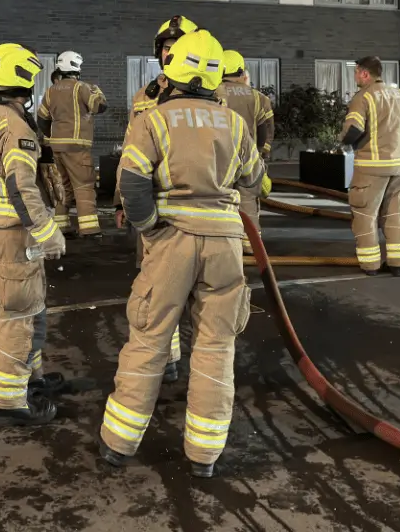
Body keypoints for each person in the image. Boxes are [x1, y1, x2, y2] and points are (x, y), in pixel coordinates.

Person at [99, 29, 264, 478]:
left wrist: (148, 224)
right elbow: (253, 179)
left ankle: (119, 443)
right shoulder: (233, 121)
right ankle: (204, 455)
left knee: (150, 337)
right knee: (216, 344)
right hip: (225, 246)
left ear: (172, 73)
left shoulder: (154, 118)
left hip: (172, 239)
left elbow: (131, 179)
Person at [0, 43, 67, 427]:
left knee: (28, 306)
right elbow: (21, 186)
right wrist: (47, 231)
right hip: (15, 235)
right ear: (24, 77)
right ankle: (8, 400)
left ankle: (30, 380)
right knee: (19, 314)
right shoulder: (15, 125)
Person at [111, 15, 199, 384]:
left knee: (200, 296)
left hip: (198, 216)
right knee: (156, 292)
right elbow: (132, 152)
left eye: (177, 48)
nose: (169, 53)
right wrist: (120, 200)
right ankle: (168, 359)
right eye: (166, 47)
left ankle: (206, 369)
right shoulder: (146, 96)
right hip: (154, 217)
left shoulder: (211, 93)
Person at [340, 56, 400, 277]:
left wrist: (344, 142)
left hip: (371, 168)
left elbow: (352, 130)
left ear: (365, 74)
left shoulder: (363, 97)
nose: (355, 76)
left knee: (365, 216)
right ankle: (399, 264)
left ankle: (370, 265)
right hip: (399, 167)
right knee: (395, 216)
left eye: (356, 72)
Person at [37, 51, 108, 238]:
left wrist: (52, 137)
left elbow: (42, 118)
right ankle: (90, 230)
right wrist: (97, 91)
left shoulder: (51, 91)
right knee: (84, 187)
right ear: (77, 67)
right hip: (77, 148)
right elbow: (99, 106)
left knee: (63, 187)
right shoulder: (82, 88)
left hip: (56, 147)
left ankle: (62, 227)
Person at [216, 50, 275, 254]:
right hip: (248, 158)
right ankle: (251, 247)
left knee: (220, 201)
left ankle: (224, 244)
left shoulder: (213, 93)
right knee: (248, 200)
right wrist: (261, 154)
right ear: (242, 72)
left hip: (219, 159)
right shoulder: (258, 98)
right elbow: (266, 129)